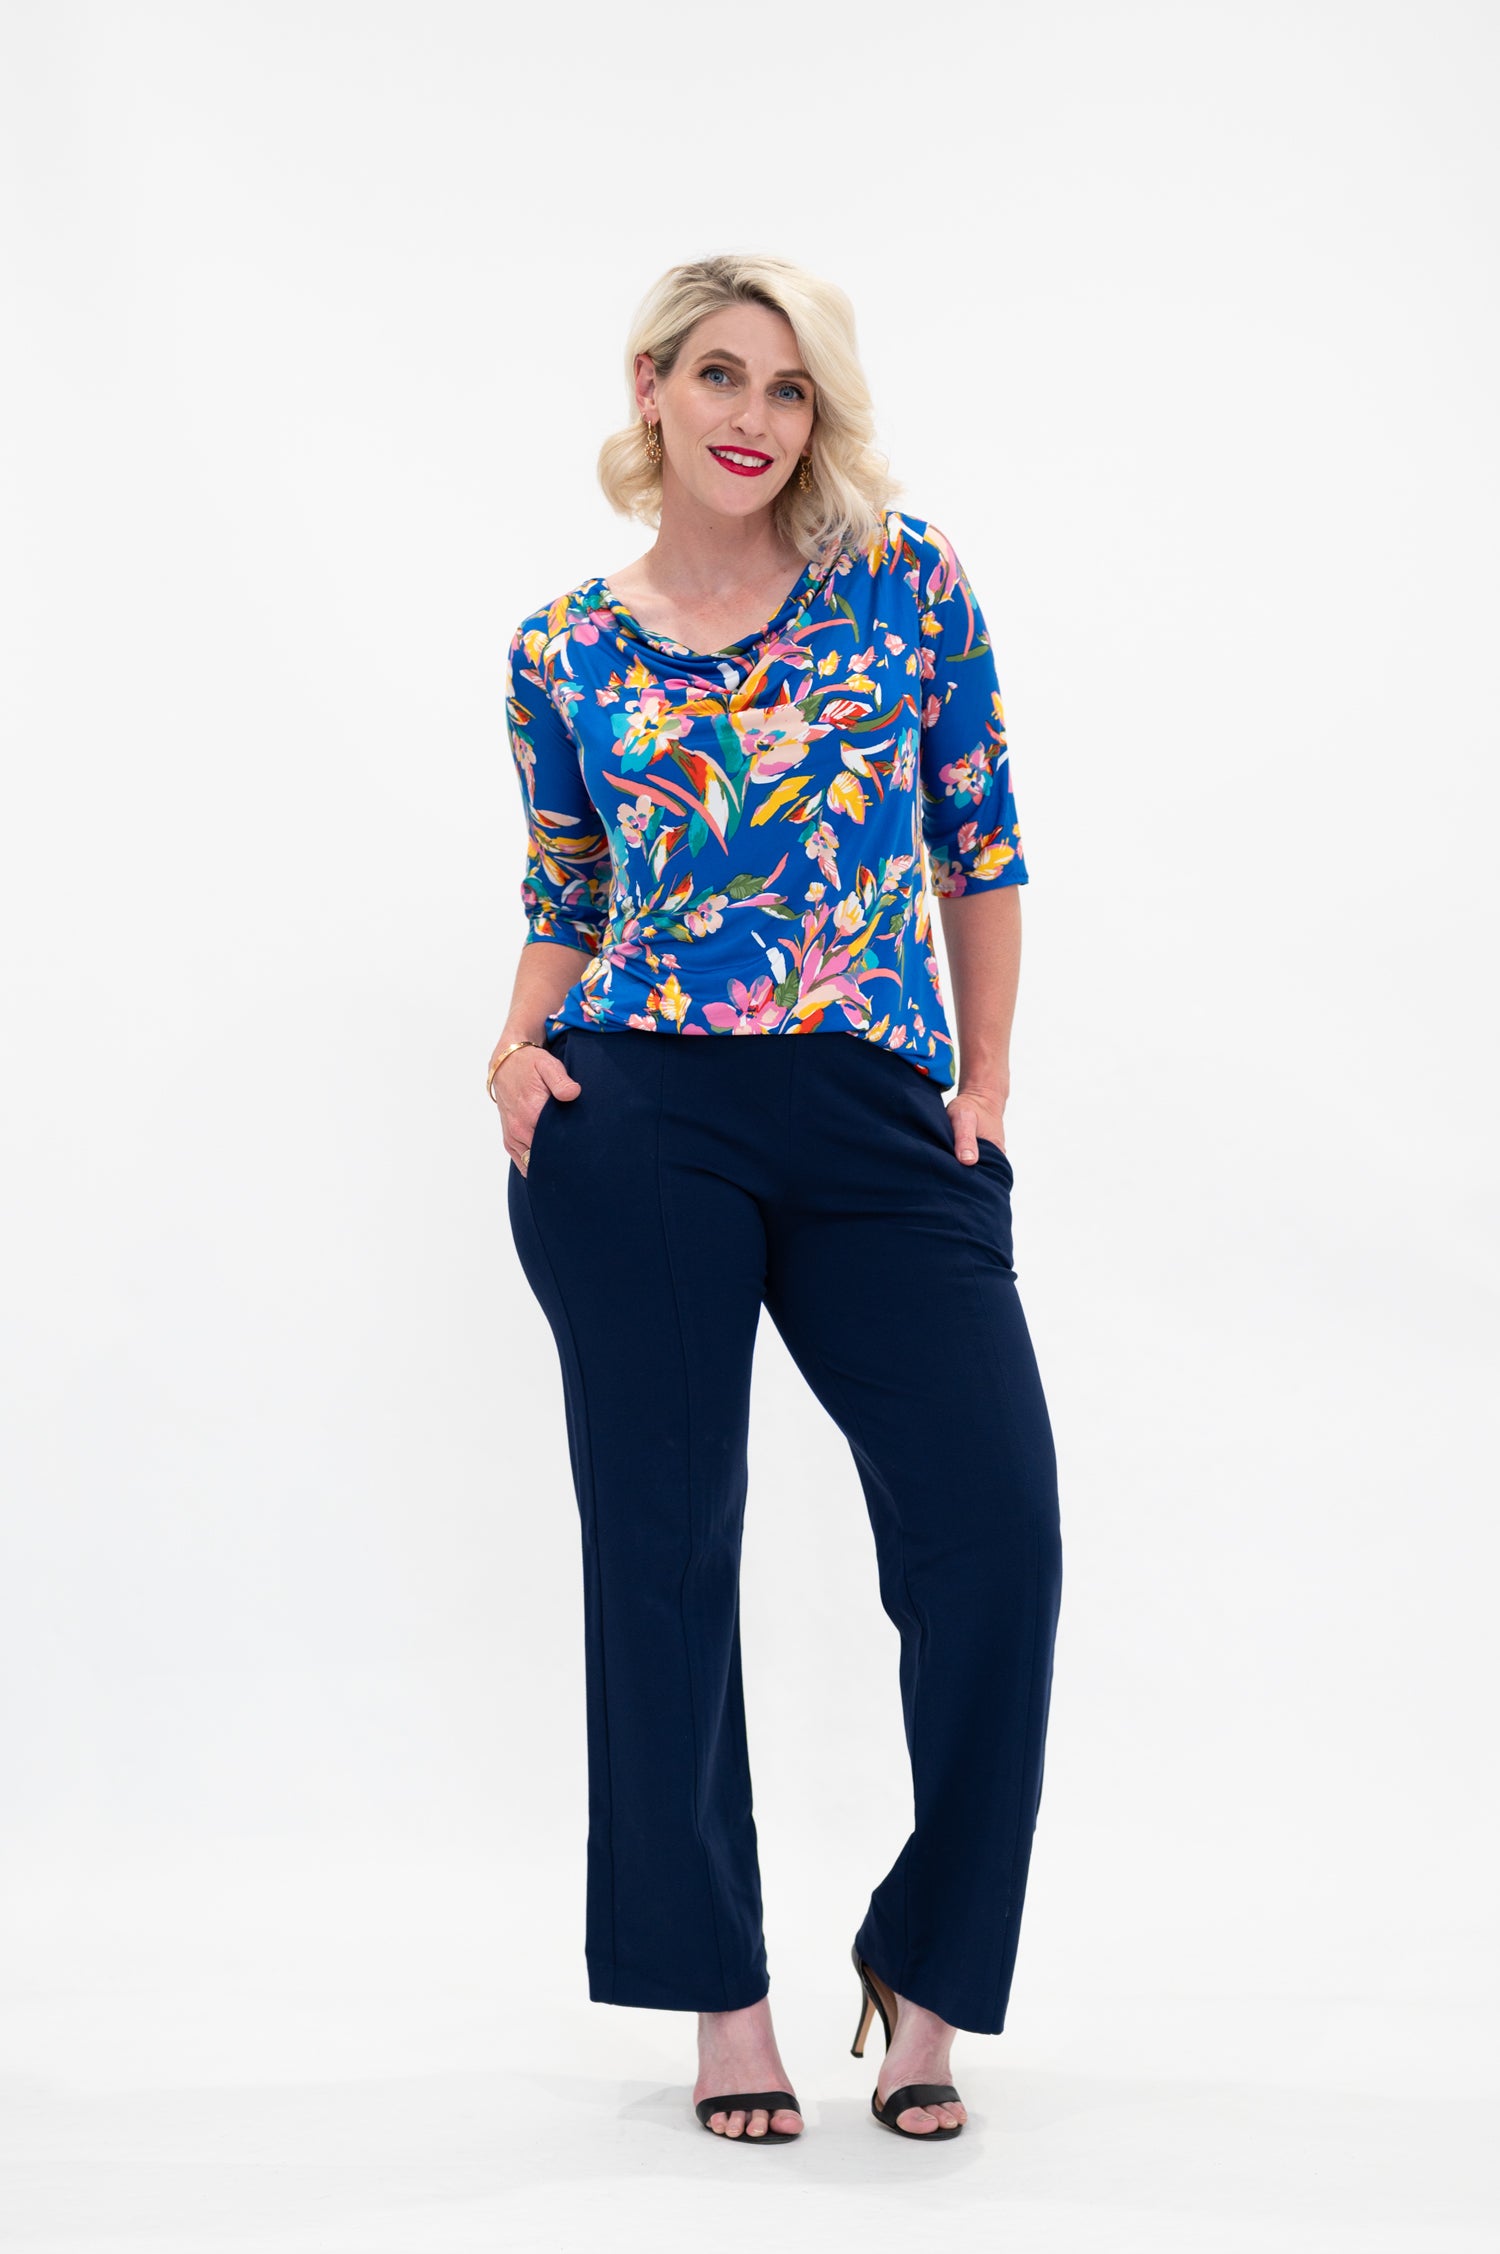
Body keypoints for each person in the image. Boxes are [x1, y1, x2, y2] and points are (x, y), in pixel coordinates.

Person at [487, 253, 1063, 2146]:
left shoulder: (904, 580)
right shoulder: (561, 647)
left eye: (792, 387)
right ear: (651, 386)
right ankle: (720, 1994)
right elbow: (569, 886)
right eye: (721, 374)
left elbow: (978, 836)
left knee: (995, 1530)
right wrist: (516, 1049)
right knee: (664, 1549)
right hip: (640, 1111)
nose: (755, 416)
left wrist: (984, 1083)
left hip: (879, 1110)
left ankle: (928, 1965)